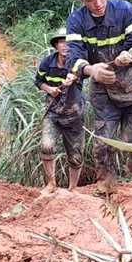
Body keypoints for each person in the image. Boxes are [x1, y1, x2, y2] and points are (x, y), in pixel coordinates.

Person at [64, 0, 132, 197]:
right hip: (102, 89)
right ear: (82, 1)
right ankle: (106, 185)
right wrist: (91, 70)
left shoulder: (125, 10)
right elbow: (73, 57)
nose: (97, 3)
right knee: (104, 141)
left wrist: (131, 53)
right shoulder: (76, 21)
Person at [35, 27, 87, 193]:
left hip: (74, 116)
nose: (65, 46)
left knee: (76, 156)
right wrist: (49, 89)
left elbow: (85, 72)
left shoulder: (77, 63)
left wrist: (75, 75)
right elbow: (38, 81)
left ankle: (72, 189)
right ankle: (51, 184)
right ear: (56, 45)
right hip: (53, 114)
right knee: (47, 146)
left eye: (69, 42)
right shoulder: (47, 63)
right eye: (62, 42)